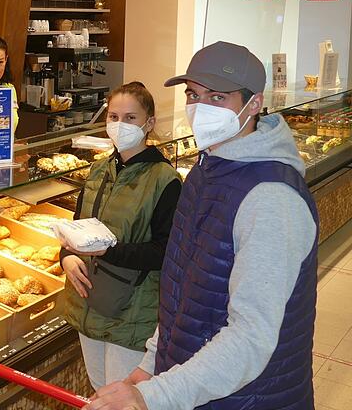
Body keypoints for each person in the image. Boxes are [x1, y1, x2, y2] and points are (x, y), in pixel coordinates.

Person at [84, 41, 318, 410]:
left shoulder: (272, 197)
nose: (199, 108)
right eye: (193, 94)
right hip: (198, 386)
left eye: (217, 97)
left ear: (253, 104)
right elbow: (183, 288)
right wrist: (151, 365)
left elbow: (251, 338)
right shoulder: (207, 170)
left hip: (248, 398)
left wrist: (155, 395)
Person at [61, 82, 181, 392]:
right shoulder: (99, 170)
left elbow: (164, 252)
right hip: (89, 300)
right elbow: (78, 225)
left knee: (122, 395)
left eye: (130, 118)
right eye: (113, 117)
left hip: (132, 311)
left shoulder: (165, 180)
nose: (119, 125)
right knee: (99, 389)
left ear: (149, 123)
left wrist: (106, 251)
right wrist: (68, 257)